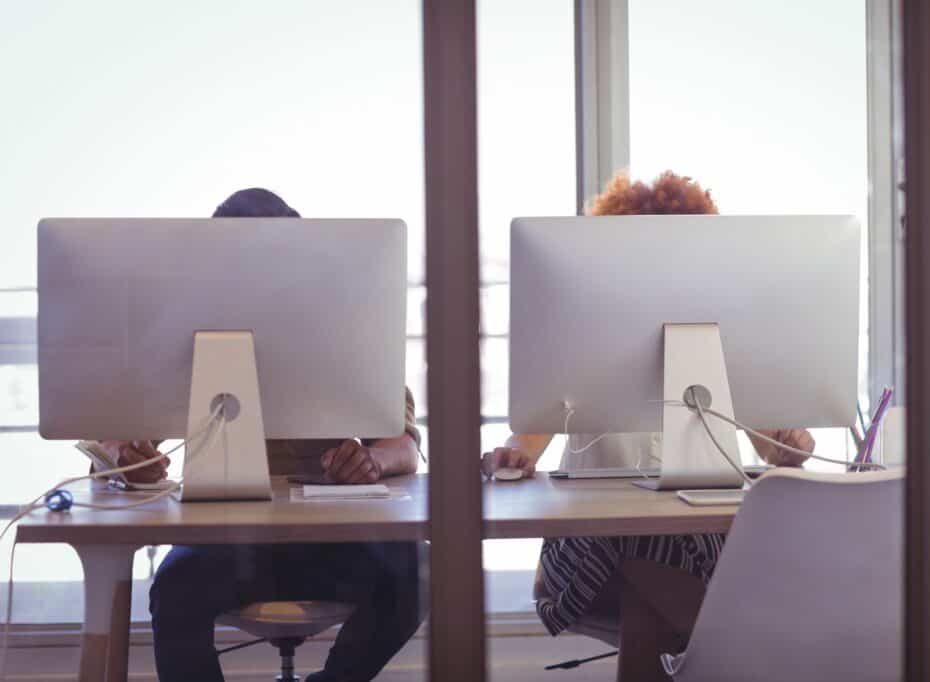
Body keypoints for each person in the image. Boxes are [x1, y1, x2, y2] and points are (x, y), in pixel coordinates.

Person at [481, 171, 816, 682]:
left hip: (693, 536)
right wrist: (513, 455)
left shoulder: (718, 332)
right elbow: (528, 436)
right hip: (591, 539)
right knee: (634, 543)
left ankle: (734, 660)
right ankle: (749, 661)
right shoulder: (583, 328)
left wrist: (792, 445)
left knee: (650, 583)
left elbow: (773, 448)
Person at [98, 188, 424, 682]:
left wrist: (374, 462)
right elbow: (114, 443)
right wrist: (124, 452)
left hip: (330, 536)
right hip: (223, 539)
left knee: (418, 574)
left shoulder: (345, 326)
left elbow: (405, 446)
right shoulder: (189, 329)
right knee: (175, 589)